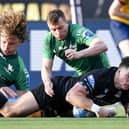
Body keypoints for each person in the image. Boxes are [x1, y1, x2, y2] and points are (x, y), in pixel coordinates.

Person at [0, 56, 129, 118]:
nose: (128, 81)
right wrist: (98, 109)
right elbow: (71, 96)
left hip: (66, 109)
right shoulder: (101, 76)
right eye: (128, 76)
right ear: (119, 71)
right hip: (55, 92)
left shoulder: (126, 90)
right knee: (9, 112)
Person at [41, 9, 109, 98]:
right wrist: (47, 82)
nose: (58, 33)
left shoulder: (77, 32)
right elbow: (46, 67)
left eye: (60, 28)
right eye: (53, 29)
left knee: (79, 103)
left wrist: (79, 54)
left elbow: (102, 46)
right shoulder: (49, 40)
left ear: (66, 23)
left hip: (100, 71)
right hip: (81, 75)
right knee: (67, 98)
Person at [0, 9, 30, 99]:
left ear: (21, 41)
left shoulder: (20, 70)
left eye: (11, 43)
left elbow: (21, 102)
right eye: (3, 41)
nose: (6, 47)